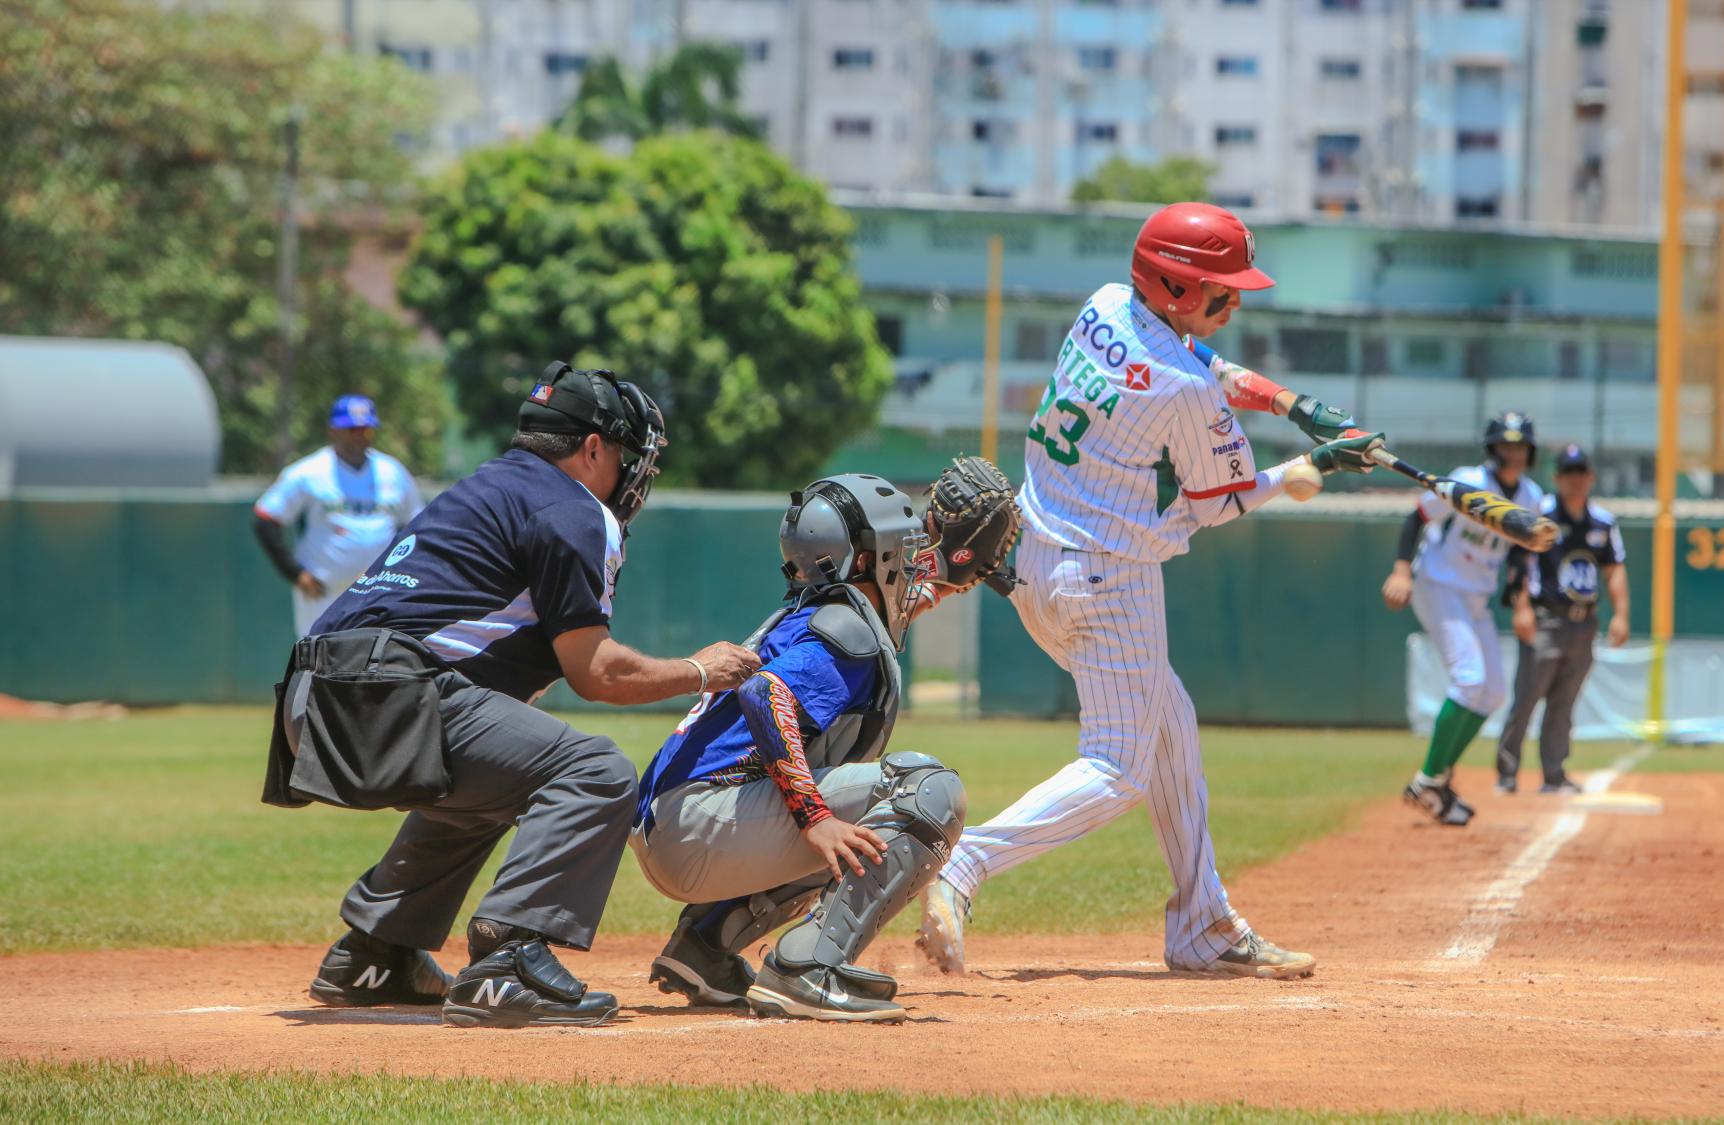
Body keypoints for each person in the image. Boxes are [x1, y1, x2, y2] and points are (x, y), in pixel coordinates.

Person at [916, 201, 1382, 980]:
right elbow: (1219, 501)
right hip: (1111, 583)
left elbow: (1201, 365)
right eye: (1222, 292)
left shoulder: (1104, 305)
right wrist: (1313, 469)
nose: (1234, 304)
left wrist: (1292, 405)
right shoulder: (1184, 388)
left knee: (1171, 722)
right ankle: (964, 867)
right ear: (1175, 286)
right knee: (1117, 769)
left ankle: (1205, 923)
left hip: (1035, 560)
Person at [263, 363, 761, 1028]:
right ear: (590, 449)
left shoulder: (488, 488)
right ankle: (510, 955)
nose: (633, 471)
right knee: (596, 770)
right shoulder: (574, 508)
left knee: (501, 776)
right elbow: (597, 673)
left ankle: (377, 950)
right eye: (625, 453)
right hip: (384, 696)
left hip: (312, 697)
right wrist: (699, 669)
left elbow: (501, 661)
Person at [629, 460, 1017, 1023]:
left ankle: (706, 945)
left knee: (854, 822)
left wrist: (951, 570)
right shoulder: (849, 628)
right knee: (927, 791)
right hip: (700, 825)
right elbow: (765, 693)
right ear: (870, 557)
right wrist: (814, 816)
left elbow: (899, 595)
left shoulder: (820, 614)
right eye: (903, 543)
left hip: (680, 824)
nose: (913, 554)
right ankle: (810, 969)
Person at [1382, 411, 1546, 826]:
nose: (1513, 452)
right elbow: (1417, 516)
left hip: (1476, 597)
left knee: (1492, 693)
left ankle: (1436, 781)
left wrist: (1520, 598)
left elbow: (1521, 551)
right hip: (1439, 584)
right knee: (1469, 679)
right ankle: (1426, 780)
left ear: (1530, 452)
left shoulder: (1530, 497)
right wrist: (1402, 570)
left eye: (1520, 446)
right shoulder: (1469, 481)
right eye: (1506, 444)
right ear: (1493, 448)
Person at [1495, 444, 1629, 794]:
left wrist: (1621, 615)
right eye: (1569, 473)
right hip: (1545, 619)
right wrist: (1521, 607)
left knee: (1563, 703)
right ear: (1557, 478)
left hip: (1584, 623)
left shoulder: (1602, 521)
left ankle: (1553, 775)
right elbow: (1518, 562)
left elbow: (1614, 570)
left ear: (1591, 477)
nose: (1576, 480)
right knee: (1526, 698)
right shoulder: (1541, 516)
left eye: (1581, 472)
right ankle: (1507, 773)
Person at [253, 395, 424, 637]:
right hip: (324, 591)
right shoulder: (308, 472)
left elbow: (416, 526)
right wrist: (294, 572)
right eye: (351, 428)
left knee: (377, 663)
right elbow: (265, 519)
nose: (359, 434)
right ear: (333, 430)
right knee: (318, 660)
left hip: (380, 590)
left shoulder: (392, 471)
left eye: (365, 428)